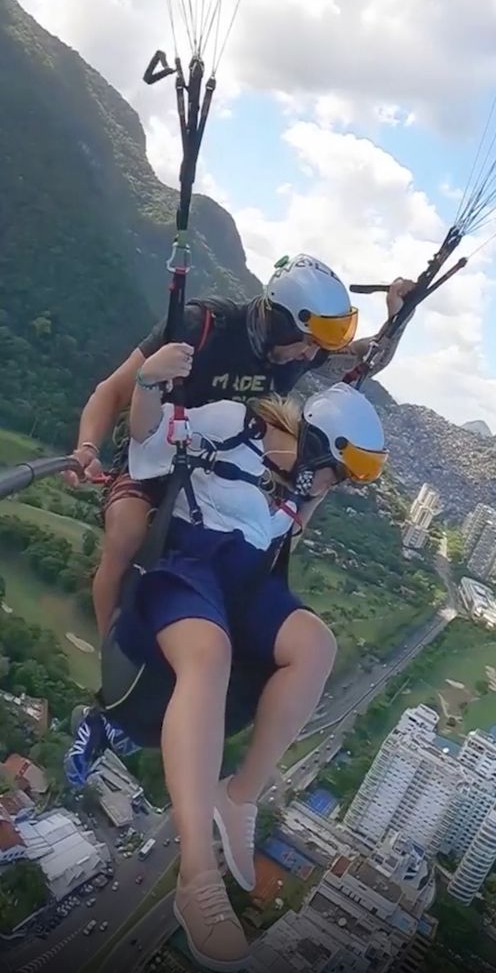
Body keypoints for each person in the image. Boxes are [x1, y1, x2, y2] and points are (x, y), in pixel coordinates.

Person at [107, 343, 388, 971]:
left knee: (317, 644)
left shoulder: (297, 487)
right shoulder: (235, 424)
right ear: (317, 446)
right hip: (189, 561)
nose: (330, 488)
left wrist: (308, 497)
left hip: (248, 581)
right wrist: (151, 380)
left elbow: (282, 533)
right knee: (208, 654)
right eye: (334, 476)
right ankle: (196, 879)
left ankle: (240, 794)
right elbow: (152, 440)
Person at [65, 253, 415, 632]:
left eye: (317, 346)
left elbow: (369, 358)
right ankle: (111, 651)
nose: (312, 354)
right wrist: (87, 447)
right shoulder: (205, 327)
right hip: (158, 453)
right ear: (281, 322)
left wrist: (400, 317)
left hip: (228, 474)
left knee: (260, 552)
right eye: (308, 343)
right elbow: (112, 391)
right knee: (128, 530)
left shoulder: (295, 352)